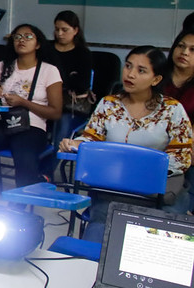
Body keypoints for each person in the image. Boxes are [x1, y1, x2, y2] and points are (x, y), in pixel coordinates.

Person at [59, 46, 193, 240]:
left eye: (141, 70)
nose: (130, 74)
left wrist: (134, 170)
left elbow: (181, 158)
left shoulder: (172, 110)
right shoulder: (109, 104)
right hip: (115, 188)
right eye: (128, 66)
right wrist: (77, 143)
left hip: (156, 191)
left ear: (156, 79)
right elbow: (92, 137)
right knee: (99, 233)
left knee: (152, 244)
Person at [0, 24, 63, 187]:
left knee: (24, 157)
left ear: (38, 44)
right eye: (17, 37)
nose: (22, 40)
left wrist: (23, 102)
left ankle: (18, 207)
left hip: (32, 126)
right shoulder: (2, 66)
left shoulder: (49, 71)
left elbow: (55, 112)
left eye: (28, 37)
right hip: (2, 122)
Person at [164, 30, 194, 214]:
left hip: (188, 154)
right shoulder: (155, 77)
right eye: (181, 46)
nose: (185, 52)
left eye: (192, 50)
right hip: (151, 146)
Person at [51, 10, 93, 135]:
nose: (60, 34)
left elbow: (82, 85)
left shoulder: (83, 53)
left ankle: (58, 155)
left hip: (71, 106)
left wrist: (58, 81)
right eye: (57, 29)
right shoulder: (46, 49)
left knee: (63, 129)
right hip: (43, 100)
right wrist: (70, 77)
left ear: (75, 30)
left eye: (65, 30)